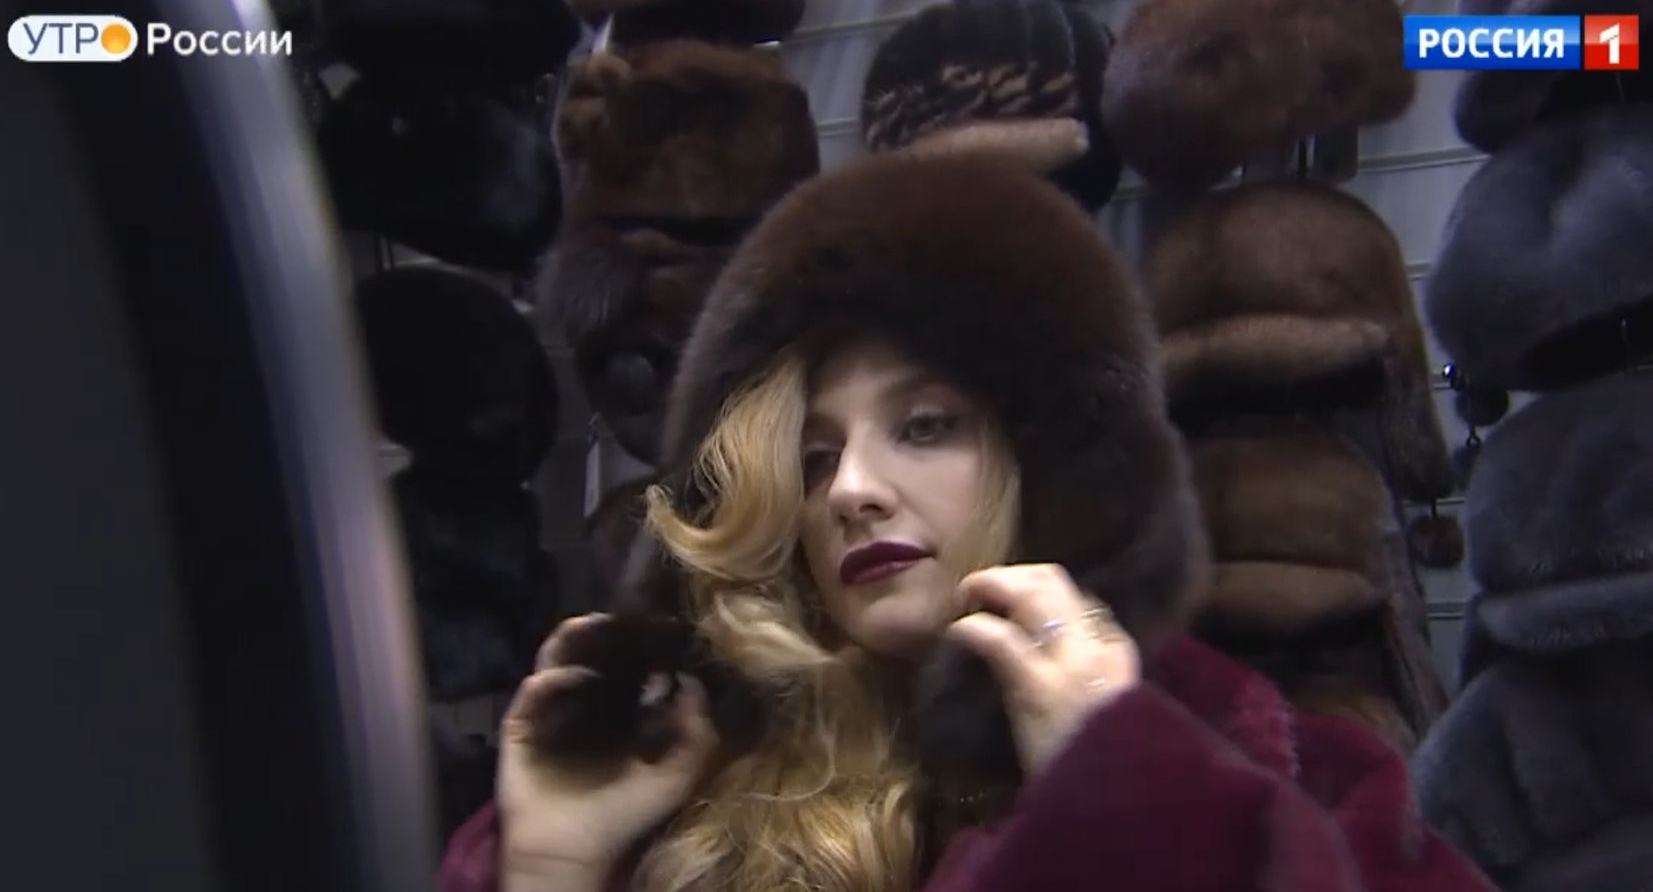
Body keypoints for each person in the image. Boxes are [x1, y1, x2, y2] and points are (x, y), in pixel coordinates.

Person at [439, 153, 1496, 892]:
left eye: (927, 426)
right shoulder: (685, 779)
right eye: (812, 459)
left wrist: (1134, 801)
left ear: (1053, 465)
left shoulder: (1279, 775)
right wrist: (551, 867)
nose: (850, 490)